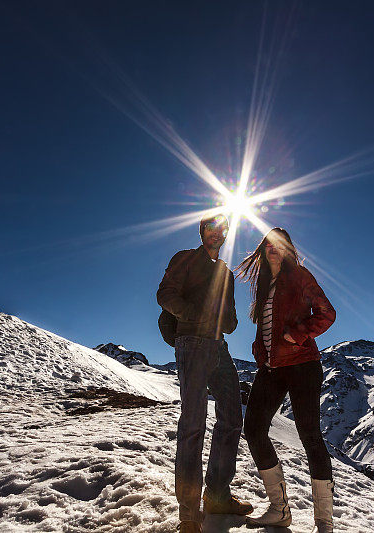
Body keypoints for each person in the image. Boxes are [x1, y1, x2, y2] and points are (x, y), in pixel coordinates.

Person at [156, 213, 253, 533]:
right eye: (211, 229)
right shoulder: (184, 259)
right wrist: (196, 313)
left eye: (223, 230)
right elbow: (165, 294)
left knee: (231, 417)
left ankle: (217, 495)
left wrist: (225, 318)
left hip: (218, 345)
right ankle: (188, 512)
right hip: (191, 344)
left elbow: (232, 319)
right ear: (202, 233)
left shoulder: (225, 272)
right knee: (193, 422)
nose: (217, 234)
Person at [236, 227, 337, 533]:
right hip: (272, 368)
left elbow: (327, 313)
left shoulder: (300, 276)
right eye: (268, 244)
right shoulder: (265, 284)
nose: (273, 248)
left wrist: (297, 335)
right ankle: (280, 510)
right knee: (253, 429)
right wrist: (259, 347)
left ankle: (324, 523)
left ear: (289, 249)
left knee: (310, 436)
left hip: (303, 365)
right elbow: (265, 325)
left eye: (279, 244)